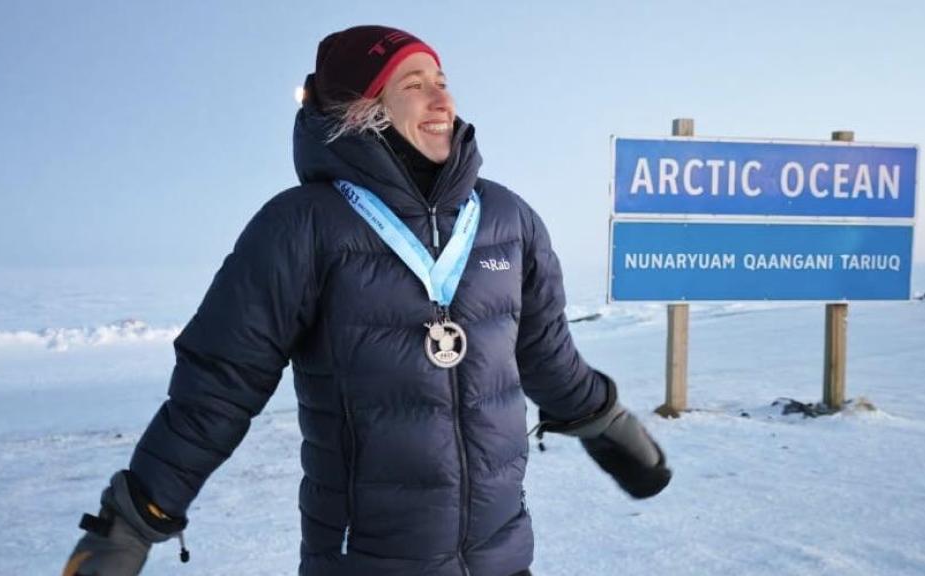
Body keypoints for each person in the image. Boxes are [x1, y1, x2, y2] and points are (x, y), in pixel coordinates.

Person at [63, 25, 671, 576]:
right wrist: (135, 517)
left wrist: (607, 422)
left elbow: (548, 359)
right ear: (364, 109)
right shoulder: (302, 226)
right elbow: (218, 387)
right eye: (413, 84)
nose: (443, 102)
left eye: (442, 81)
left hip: (500, 560)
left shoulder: (507, 220)